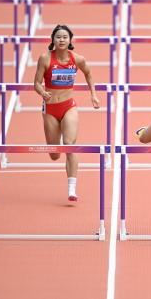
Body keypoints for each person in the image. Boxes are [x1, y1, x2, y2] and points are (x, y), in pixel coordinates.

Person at [34, 25, 100, 201]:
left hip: (69, 106)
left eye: (65, 37)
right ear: (53, 40)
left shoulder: (78, 59)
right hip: (50, 109)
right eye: (58, 37)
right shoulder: (45, 58)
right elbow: (36, 83)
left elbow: (89, 74)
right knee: (55, 154)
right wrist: (42, 92)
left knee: (70, 145)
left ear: (70, 40)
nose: (61, 40)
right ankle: (56, 153)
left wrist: (93, 95)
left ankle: (72, 188)